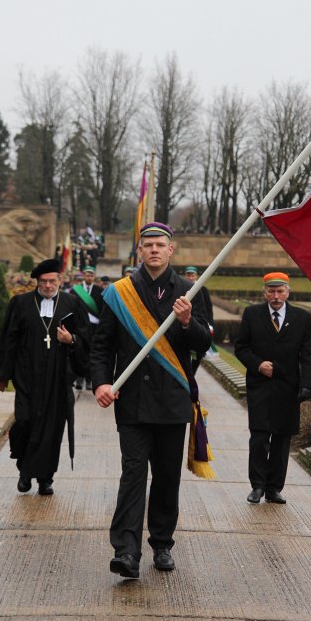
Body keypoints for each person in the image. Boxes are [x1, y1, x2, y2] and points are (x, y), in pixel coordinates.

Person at [91, 222, 212, 579]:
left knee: (165, 477)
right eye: (148, 245)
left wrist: (189, 322)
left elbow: (204, 343)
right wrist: (101, 382)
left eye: (161, 245)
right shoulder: (119, 293)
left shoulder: (191, 290)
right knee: (132, 474)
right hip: (133, 402)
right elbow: (102, 345)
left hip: (173, 401)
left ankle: (162, 543)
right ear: (139, 251)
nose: (155, 250)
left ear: (171, 250)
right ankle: (126, 551)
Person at [0, 259, 89, 496]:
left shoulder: (72, 303)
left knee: (52, 430)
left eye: (52, 281)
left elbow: (86, 337)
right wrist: (2, 374)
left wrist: (71, 340)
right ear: (37, 282)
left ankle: (45, 479)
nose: (47, 285)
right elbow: (8, 339)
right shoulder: (21, 303)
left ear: (60, 281)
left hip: (57, 379)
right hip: (27, 377)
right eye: (43, 281)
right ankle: (24, 470)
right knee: (25, 422)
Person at [234, 272, 311, 505]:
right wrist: (258, 364)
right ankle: (257, 486)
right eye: (271, 291)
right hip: (259, 386)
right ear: (265, 292)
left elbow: (309, 355)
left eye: (280, 291)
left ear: (288, 292)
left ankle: (274, 488)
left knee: (281, 439)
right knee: (259, 437)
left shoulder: (302, 318)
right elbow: (241, 348)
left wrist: (307, 385)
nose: (276, 296)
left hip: (288, 389)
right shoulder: (252, 314)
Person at [71, 266, 104, 391]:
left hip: (95, 328)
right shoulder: (76, 291)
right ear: (83, 275)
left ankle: (90, 380)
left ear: (94, 277)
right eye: (87, 275)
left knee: (92, 353)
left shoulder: (99, 291)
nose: (89, 277)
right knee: (79, 352)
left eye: (91, 275)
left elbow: (103, 309)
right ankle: (79, 379)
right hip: (80, 327)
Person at [183, 265, 214, 374]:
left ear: (196, 276)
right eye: (188, 275)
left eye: (192, 275)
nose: (190, 277)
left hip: (199, 325)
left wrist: (210, 324)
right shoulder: (181, 288)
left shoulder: (203, 290)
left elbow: (208, 309)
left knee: (197, 356)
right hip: (185, 326)